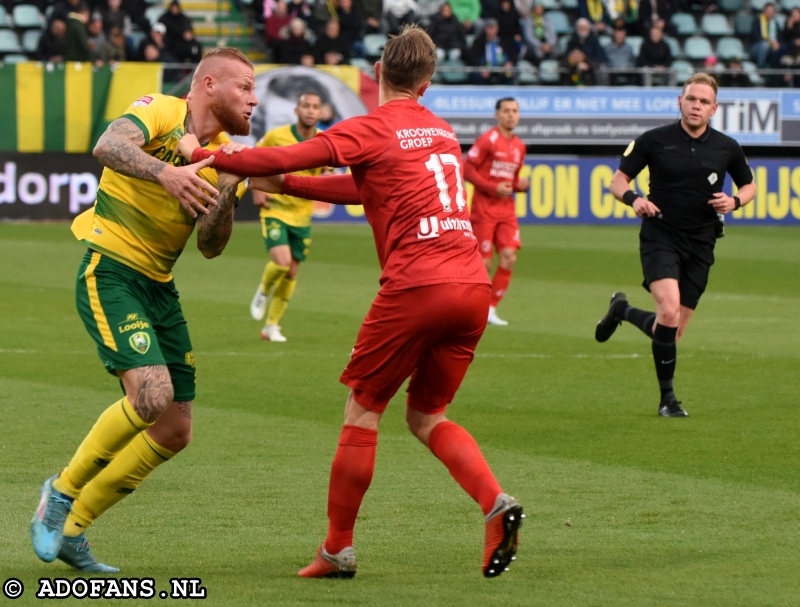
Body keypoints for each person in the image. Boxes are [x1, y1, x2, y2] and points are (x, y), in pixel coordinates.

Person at [180, 25, 524, 579]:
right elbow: (369, 188)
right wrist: (290, 187)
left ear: (378, 74)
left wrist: (208, 155)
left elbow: (291, 153)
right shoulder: (441, 133)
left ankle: (338, 548)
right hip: (470, 288)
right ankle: (494, 502)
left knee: (363, 413)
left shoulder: (370, 126)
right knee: (428, 414)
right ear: (428, 83)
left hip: (417, 285)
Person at [29, 47, 255, 573]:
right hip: (110, 269)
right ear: (207, 84)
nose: (253, 98)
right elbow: (107, 145)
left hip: (159, 285)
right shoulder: (161, 110)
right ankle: (58, 493)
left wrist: (224, 192)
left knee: (175, 429)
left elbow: (210, 246)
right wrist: (165, 174)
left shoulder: (222, 153)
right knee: (153, 394)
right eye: (244, 86)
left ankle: (74, 528)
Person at [594, 73, 756, 418]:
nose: (696, 106)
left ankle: (621, 310)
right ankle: (668, 400)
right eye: (691, 99)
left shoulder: (727, 147)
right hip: (660, 234)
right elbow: (617, 180)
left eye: (703, 102)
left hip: (702, 243)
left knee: (671, 331)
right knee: (668, 312)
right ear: (679, 102)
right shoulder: (653, 140)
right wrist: (634, 199)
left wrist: (735, 201)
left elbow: (750, 185)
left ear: (714, 108)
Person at [249, 93, 327, 342]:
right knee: (281, 263)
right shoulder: (276, 136)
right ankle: (263, 290)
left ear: (320, 112)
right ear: (297, 110)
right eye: (306, 106)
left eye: (315, 107)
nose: (311, 111)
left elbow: (327, 171)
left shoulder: (325, 141)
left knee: (292, 273)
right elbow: (254, 159)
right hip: (276, 208)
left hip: (302, 216)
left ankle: (271, 326)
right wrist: (257, 189)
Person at [463, 98, 529, 326]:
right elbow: (466, 169)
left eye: (515, 111)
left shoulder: (520, 146)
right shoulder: (487, 140)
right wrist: (493, 188)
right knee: (484, 263)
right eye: (507, 111)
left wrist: (520, 186)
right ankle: (472, 309)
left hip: (506, 211)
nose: (511, 115)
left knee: (510, 257)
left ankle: (490, 309)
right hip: (484, 210)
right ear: (497, 115)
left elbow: (513, 179)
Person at [466, 18, 518, 85]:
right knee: (477, 74)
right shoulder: (479, 42)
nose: (491, 30)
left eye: (493, 28)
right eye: (489, 28)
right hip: (485, 70)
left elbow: (513, 54)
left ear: (497, 29)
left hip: (502, 70)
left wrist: (510, 62)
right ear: (485, 29)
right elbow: (472, 56)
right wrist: (481, 67)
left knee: (512, 72)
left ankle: (510, 93)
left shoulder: (504, 41)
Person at [750, 2, 782, 69]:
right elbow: (756, 37)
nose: (770, 13)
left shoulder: (775, 23)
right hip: (757, 46)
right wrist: (770, 42)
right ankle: (760, 67)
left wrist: (777, 44)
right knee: (764, 45)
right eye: (769, 11)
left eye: (772, 11)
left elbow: (779, 37)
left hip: (771, 47)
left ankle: (776, 71)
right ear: (764, 11)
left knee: (780, 48)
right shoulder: (757, 21)